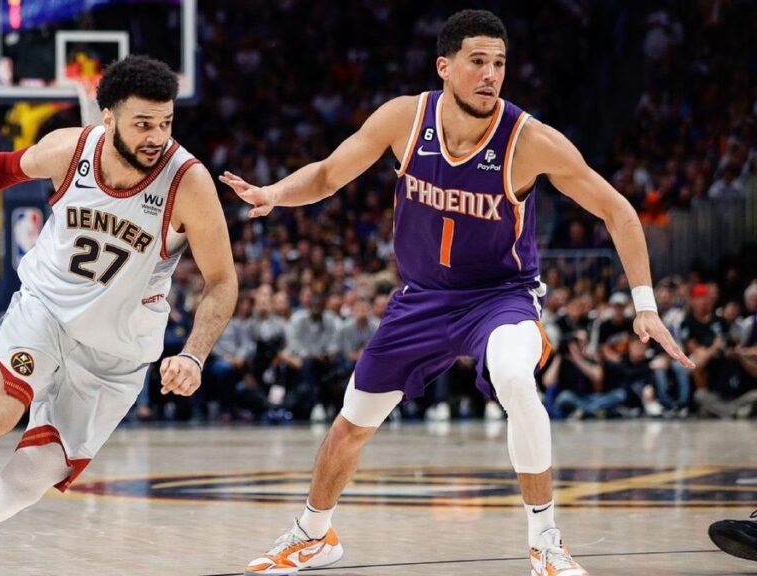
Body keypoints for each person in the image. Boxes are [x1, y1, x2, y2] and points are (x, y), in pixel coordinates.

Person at [221, 10, 692, 576]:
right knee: (351, 424)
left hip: (500, 297)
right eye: (477, 61)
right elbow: (326, 175)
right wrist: (274, 193)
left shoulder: (530, 141)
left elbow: (618, 210)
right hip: (421, 298)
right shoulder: (404, 118)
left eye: (499, 63)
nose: (490, 74)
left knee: (515, 378)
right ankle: (313, 535)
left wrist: (645, 305)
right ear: (444, 66)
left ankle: (545, 541)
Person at [0, 55, 237, 575]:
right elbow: (4, 168)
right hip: (45, 311)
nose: (157, 137)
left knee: (26, 484)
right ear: (108, 117)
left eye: (165, 123)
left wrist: (194, 355)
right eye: (143, 124)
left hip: (116, 356)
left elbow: (222, 280)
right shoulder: (73, 149)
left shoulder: (188, 183)